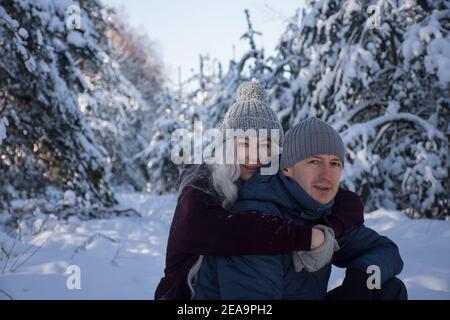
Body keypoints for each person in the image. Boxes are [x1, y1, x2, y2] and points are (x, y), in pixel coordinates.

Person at [154, 82, 365, 300]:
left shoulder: (273, 178)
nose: (255, 156)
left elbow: (347, 202)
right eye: (244, 144)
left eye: (265, 145)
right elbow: (219, 229)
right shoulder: (201, 182)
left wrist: (329, 230)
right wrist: (307, 237)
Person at [193, 117, 407, 300]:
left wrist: (361, 280)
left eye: (335, 163)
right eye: (314, 162)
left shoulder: (320, 213)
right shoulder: (256, 223)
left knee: (386, 290)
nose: (326, 175)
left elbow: (386, 251)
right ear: (287, 169)